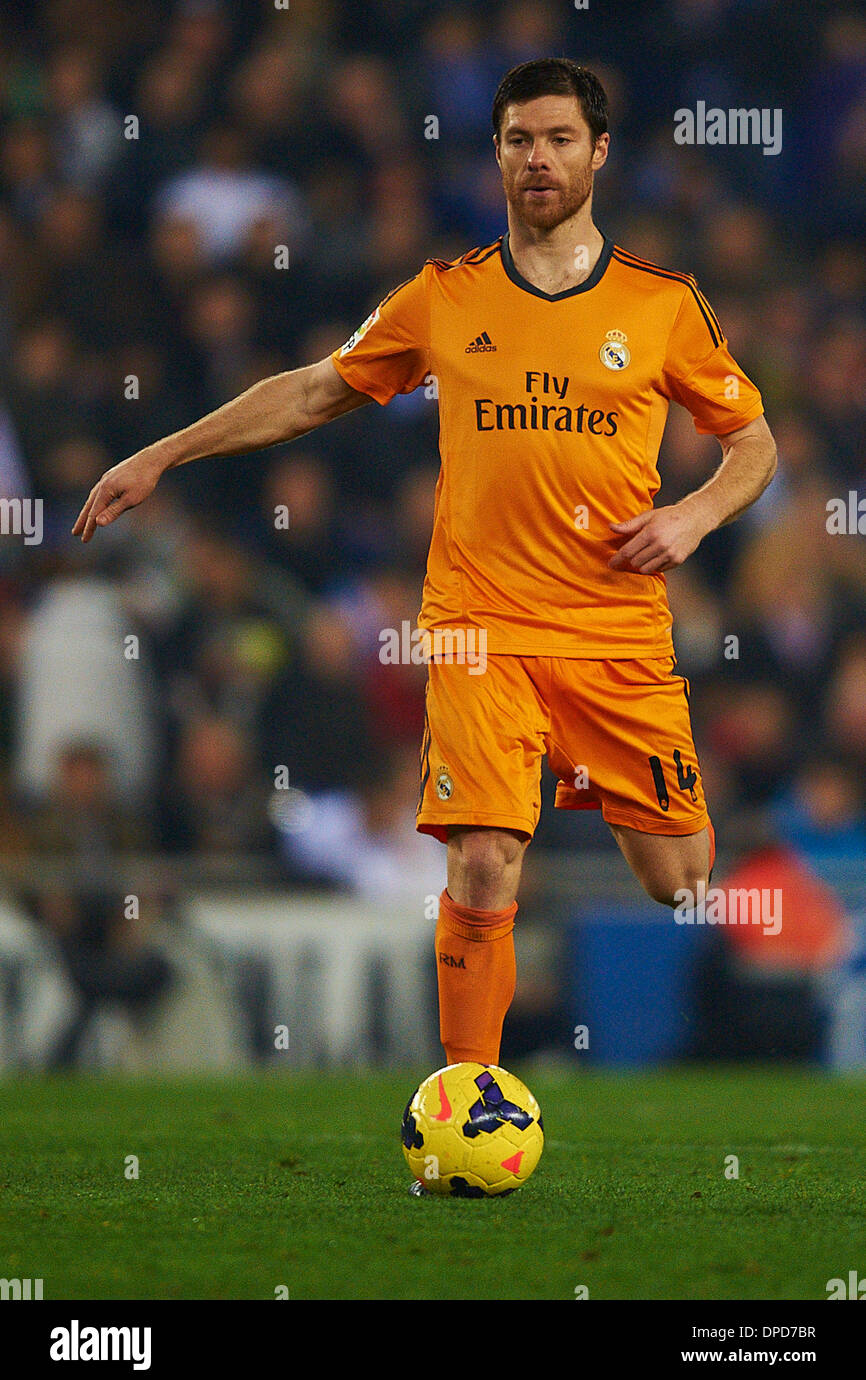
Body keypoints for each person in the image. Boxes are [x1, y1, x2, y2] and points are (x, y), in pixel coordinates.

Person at [73, 58, 776, 1095]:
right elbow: (314, 391)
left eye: (559, 139)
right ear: (495, 153)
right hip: (475, 626)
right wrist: (161, 454)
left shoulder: (663, 304)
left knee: (680, 881)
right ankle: (467, 1098)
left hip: (612, 633)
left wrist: (693, 512)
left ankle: (598, 782)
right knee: (484, 859)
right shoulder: (443, 298)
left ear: (598, 153)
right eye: (518, 140)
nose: (538, 159)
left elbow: (751, 441)